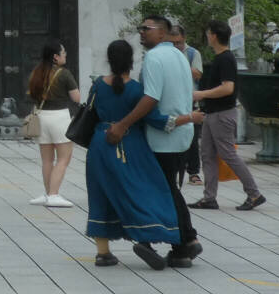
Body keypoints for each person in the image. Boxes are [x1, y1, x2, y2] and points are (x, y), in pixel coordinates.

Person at [106, 16, 203, 267]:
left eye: (146, 29)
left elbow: (151, 98)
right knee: (169, 187)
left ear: (162, 33)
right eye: (141, 28)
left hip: (164, 136)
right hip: (180, 135)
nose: (141, 32)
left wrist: (123, 124)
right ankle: (183, 244)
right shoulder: (179, 56)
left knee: (158, 188)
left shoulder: (155, 58)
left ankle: (167, 239)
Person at [84, 38, 181, 270]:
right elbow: (155, 119)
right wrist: (186, 119)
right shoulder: (137, 90)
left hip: (100, 144)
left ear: (109, 60)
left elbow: (91, 111)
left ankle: (103, 253)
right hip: (130, 145)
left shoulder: (98, 85)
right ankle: (145, 240)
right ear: (131, 61)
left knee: (101, 193)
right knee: (140, 191)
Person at [189, 19, 265, 211]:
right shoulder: (219, 58)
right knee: (206, 154)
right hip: (211, 114)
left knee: (228, 155)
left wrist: (201, 94)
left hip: (222, 115)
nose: (207, 36)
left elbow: (227, 88)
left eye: (208, 33)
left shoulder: (226, 59)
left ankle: (254, 194)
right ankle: (209, 198)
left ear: (214, 35)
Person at [26, 40, 80, 207]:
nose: (65, 56)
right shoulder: (64, 74)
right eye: (63, 53)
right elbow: (76, 98)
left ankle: (47, 192)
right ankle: (54, 194)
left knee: (47, 160)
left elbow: (31, 94)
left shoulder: (36, 72)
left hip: (41, 117)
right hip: (60, 117)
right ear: (56, 57)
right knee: (63, 159)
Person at [172, 23, 203, 184]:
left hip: (190, 100)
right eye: (174, 43)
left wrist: (181, 63)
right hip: (173, 100)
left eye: (179, 42)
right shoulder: (167, 54)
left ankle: (193, 171)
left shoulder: (192, 53)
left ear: (184, 38)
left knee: (192, 138)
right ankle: (176, 169)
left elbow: (198, 74)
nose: (176, 46)